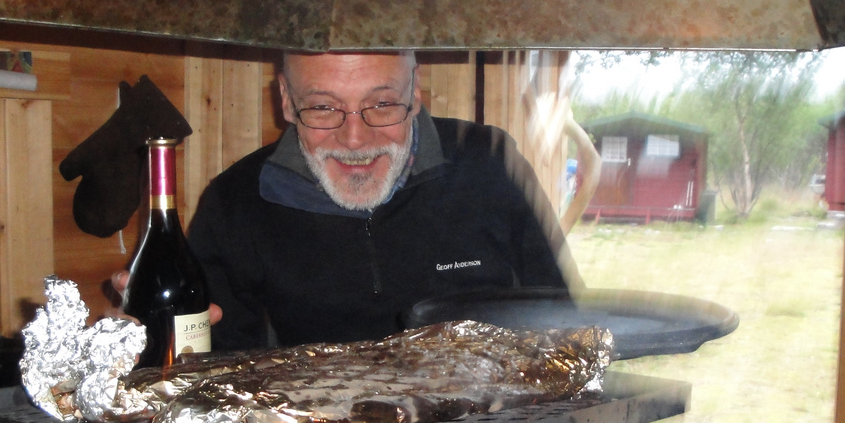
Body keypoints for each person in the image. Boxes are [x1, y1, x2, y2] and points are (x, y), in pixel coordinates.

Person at [182, 50, 573, 351]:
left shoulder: (490, 163)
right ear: (286, 100)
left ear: (414, 91)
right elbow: (213, 362)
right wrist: (149, 339)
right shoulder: (234, 203)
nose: (355, 139)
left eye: (382, 104)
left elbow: (566, 323)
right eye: (323, 107)